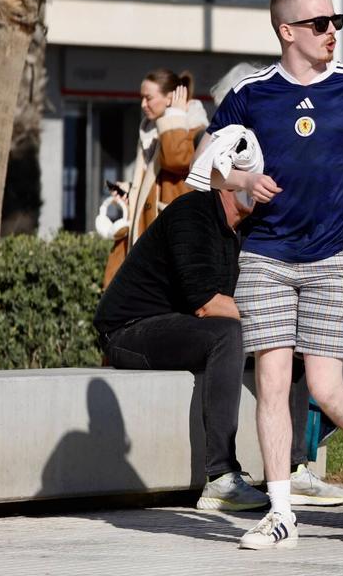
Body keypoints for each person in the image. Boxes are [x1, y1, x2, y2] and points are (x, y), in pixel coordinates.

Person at [196, 0, 343, 550]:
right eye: (319, 23)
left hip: (334, 254)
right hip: (265, 256)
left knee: (328, 389)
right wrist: (241, 180)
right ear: (287, 32)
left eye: (335, 21)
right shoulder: (251, 93)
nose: (332, 30)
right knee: (271, 381)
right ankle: (281, 510)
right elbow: (204, 163)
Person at [94, 187, 267, 512]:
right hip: (126, 330)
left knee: (286, 340)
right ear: (230, 180)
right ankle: (220, 476)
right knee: (228, 334)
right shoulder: (193, 212)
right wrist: (272, 314)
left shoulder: (247, 228)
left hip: (174, 324)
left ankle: (294, 468)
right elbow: (206, 305)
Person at [103, 68, 208, 286]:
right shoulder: (151, 131)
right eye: (141, 98)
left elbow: (176, 160)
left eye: (148, 98)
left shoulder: (193, 127)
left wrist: (175, 118)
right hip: (151, 238)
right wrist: (131, 191)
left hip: (174, 242)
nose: (143, 104)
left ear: (171, 97)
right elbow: (156, 183)